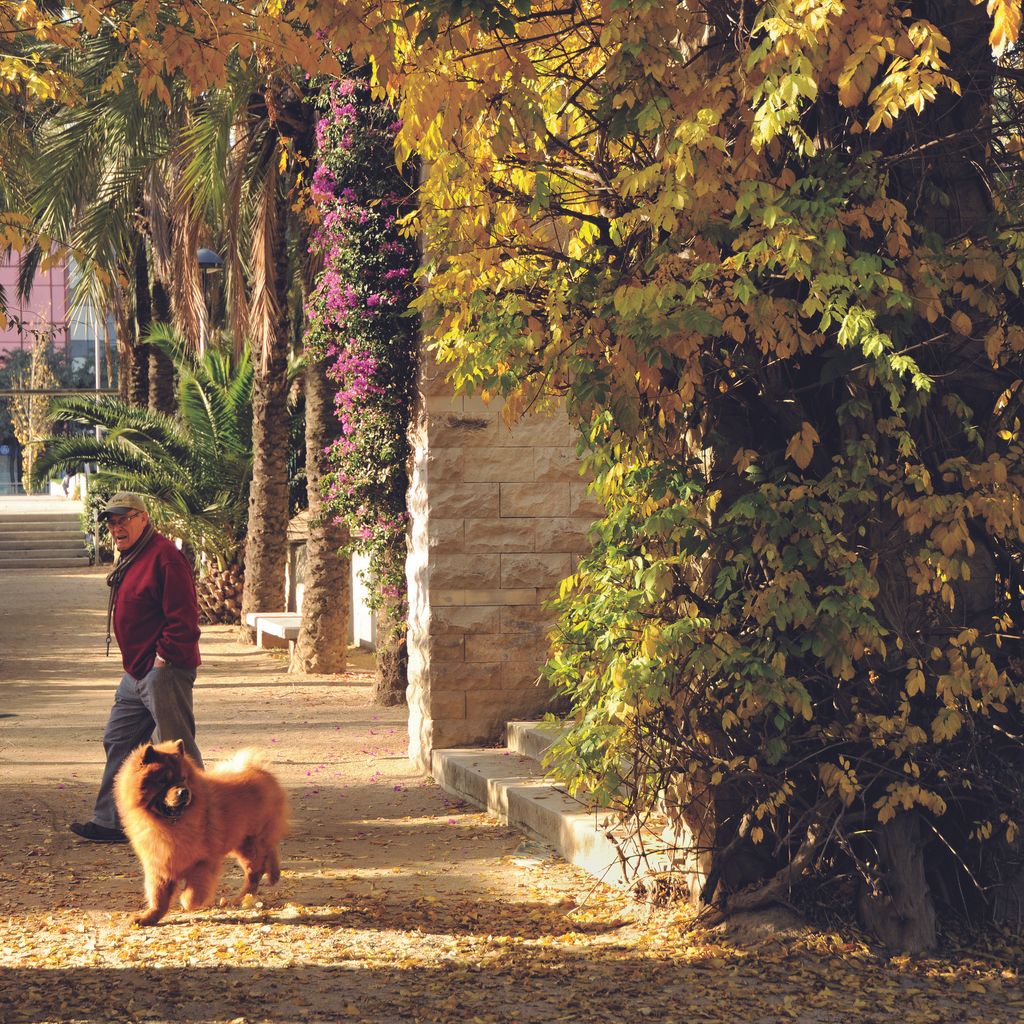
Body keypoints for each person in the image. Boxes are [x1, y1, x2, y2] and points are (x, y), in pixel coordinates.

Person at [70, 492, 203, 843]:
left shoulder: (166, 558)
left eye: (123, 519)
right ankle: (111, 822)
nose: (116, 528)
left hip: (163, 670)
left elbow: (186, 619)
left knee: (177, 749)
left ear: (143, 518)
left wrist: (163, 659)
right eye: (112, 522)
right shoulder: (133, 556)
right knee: (119, 739)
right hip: (137, 672)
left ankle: (205, 819)